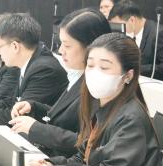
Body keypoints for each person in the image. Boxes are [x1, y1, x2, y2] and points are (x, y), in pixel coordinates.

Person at [26, 33, 162, 166]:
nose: (95, 73)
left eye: (104, 67)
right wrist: (49, 165)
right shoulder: (104, 107)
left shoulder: (131, 119)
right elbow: (83, 156)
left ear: (128, 76)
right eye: (90, 65)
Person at [8, 8, 111, 156]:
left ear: (91, 46)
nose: (61, 50)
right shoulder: (80, 76)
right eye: (61, 43)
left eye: (67, 45)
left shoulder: (100, 86)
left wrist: (36, 128)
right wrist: (34, 107)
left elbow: (88, 143)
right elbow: (66, 116)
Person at [0, 12, 67, 125]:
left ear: (15, 46)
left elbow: (20, 114)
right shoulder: (29, 61)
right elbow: (11, 105)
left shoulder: (44, 70)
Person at [107, 0, 163, 81]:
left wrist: (136, 69)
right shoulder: (131, 35)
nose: (119, 30)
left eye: (119, 25)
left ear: (132, 20)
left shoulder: (159, 33)